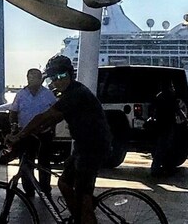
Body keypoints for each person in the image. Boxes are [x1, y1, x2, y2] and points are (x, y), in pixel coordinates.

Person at [8, 55, 111, 224]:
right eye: (54, 78)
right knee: (64, 183)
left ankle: (84, 216)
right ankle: (78, 219)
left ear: (70, 75)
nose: (58, 81)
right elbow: (53, 119)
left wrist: (20, 135)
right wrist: (34, 132)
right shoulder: (69, 94)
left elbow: (44, 116)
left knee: (83, 199)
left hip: (92, 148)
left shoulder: (75, 94)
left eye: (62, 76)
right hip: (83, 146)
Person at [11, 68, 58, 197]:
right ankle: (29, 190)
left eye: (36, 77)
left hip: (44, 133)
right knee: (26, 161)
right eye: (30, 77)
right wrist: (14, 126)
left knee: (44, 162)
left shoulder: (48, 94)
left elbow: (56, 113)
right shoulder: (21, 94)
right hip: (26, 134)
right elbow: (13, 112)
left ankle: (45, 189)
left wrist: (51, 127)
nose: (33, 80)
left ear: (40, 79)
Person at [149, 82, 185, 175]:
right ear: (168, 87)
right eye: (171, 86)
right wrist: (185, 118)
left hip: (160, 123)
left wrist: (152, 119)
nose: (173, 88)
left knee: (161, 146)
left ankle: (157, 167)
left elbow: (153, 110)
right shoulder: (171, 97)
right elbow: (177, 109)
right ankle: (164, 167)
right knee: (166, 146)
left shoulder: (159, 96)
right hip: (169, 123)